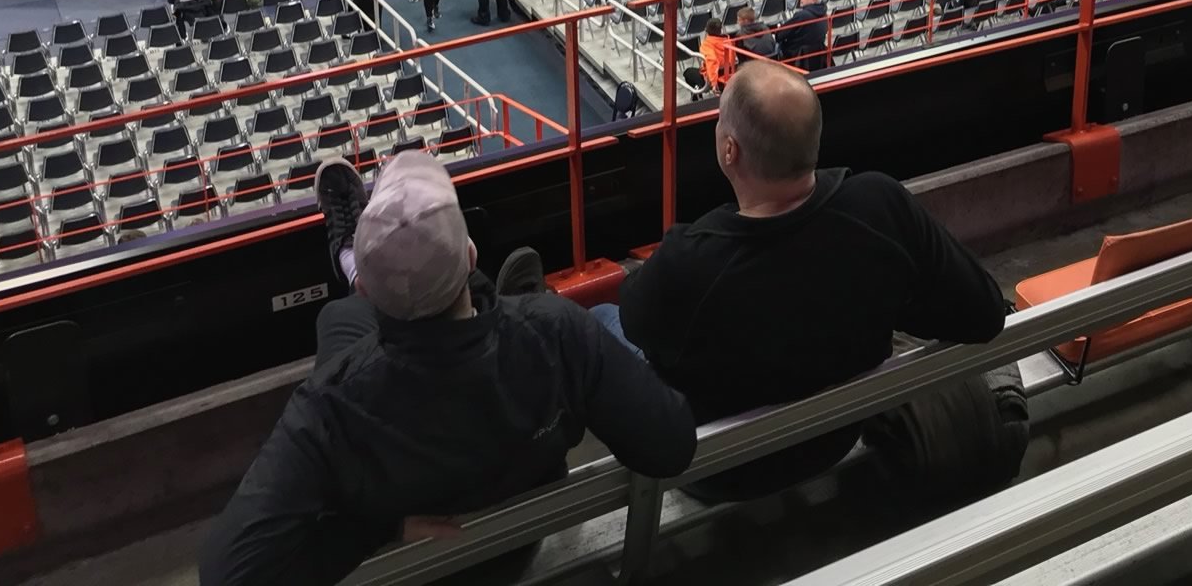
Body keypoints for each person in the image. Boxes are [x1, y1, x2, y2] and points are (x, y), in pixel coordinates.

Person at [199, 152, 696, 586]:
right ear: (473, 253)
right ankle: (487, 296)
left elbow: (229, 574)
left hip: (411, 570)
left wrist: (381, 531)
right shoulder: (556, 329)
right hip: (516, 545)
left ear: (373, 294)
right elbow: (670, 445)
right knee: (489, 318)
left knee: (339, 318)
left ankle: (355, 256)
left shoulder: (330, 405)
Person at [610, 62, 1020, 502]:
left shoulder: (688, 260)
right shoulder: (880, 207)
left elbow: (635, 321)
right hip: (833, 438)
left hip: (720, 472)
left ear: (730, 150)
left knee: (605, 320)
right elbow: (984, 313)